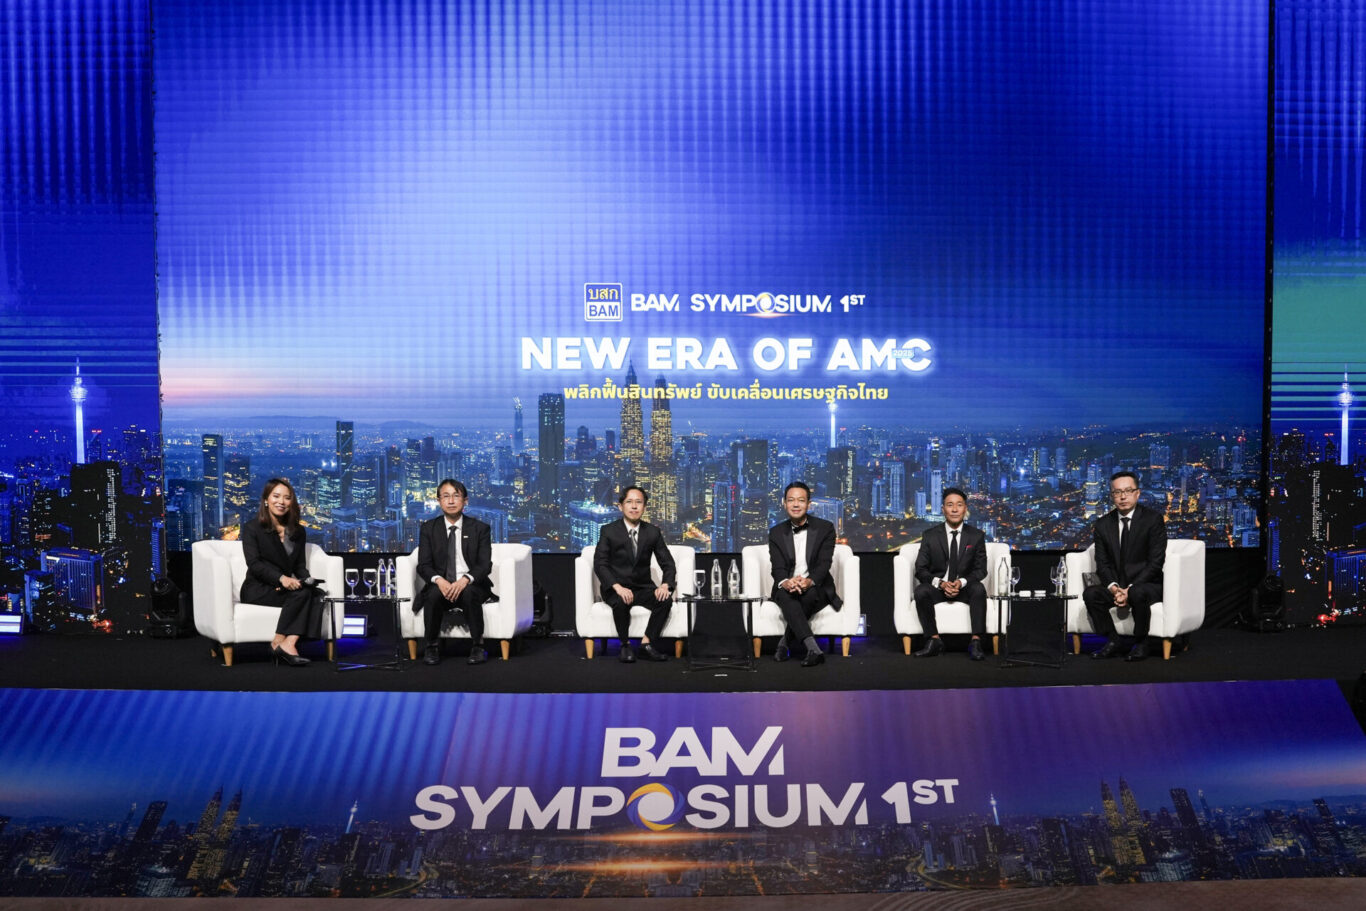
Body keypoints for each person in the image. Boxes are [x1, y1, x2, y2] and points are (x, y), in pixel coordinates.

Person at [240, 478, 324, 667]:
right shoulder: (253, 528)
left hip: (284, 588)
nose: (281, 502)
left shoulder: (298, 531)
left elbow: (299, 565)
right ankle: (280, 642)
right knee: (303, 594)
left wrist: (306, 579)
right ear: (266, 500)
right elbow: (254, 564)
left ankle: (287, 642)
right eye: (276, 496)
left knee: (317, 594)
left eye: (287, 498)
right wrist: (281, 579)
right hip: (259, 588)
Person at [1083, 471, 1166, 662]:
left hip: (1148, 585)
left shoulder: (1153, 520)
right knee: (1091, 594)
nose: (1123, 497)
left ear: (1137, 493)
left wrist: (1130, 589)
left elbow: (1155, 563)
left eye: (1128, 491)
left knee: (1137, 592)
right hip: (1118, 585)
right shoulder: (1103, 524)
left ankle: (1142, 643)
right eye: (1117, 492)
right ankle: (1113, 640)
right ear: (1111, 495)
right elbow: (1102, 564)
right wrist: (1114, 588)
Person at [415, 479, 496, 666]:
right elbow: (424, 565)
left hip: (471, 585)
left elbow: (484, 565)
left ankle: (478, 646)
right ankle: (431, 646)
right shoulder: (428, 528)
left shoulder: (480, 529)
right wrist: (439, 580)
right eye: (446, 496)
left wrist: (465, 580)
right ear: (439, 501)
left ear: (465, 500)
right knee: (433, 594)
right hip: (442, 585)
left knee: (468, 593)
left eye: (456, 496)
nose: (451, 501)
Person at [593, 486, 676, 663]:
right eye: (629, 502)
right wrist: (617, 587)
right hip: (616, 587)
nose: (634, 506)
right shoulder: (608, 531)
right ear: (620, 506)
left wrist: (665, 585)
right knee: (621, 601)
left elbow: (668, 563)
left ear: (644, 507)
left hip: (642, 587)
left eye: (639, 502)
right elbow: (600, 564)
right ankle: (625, 645)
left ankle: (646, 644)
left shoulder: (652, 532)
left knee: (665, 600)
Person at [768, 481, 841, 667]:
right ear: (784, 503)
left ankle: (784, 644)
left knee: (808, 595)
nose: (795, 504)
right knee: (786, 595)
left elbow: (824, 564)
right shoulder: (776, 532)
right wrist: (786, 582)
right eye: (791, 500)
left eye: (801, 500)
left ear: (808, 504)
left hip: (816, 586)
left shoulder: (825, 528)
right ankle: (814, 649)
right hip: (788, 586)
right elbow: (777, 568)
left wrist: (809, 581)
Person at [912, 487, 989, 660]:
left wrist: (961, 582)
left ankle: (976, 642)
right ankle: (933, 640)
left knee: (979, 589)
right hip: (939, 588)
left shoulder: (976, 536)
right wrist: (940, 583)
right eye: (950, 505)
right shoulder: (930, 536)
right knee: (921, 591)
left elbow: (981, 570)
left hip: (964, 588)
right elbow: (920, 569)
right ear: (943, 509)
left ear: (965, 508)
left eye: (959, 505)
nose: (954, 509)